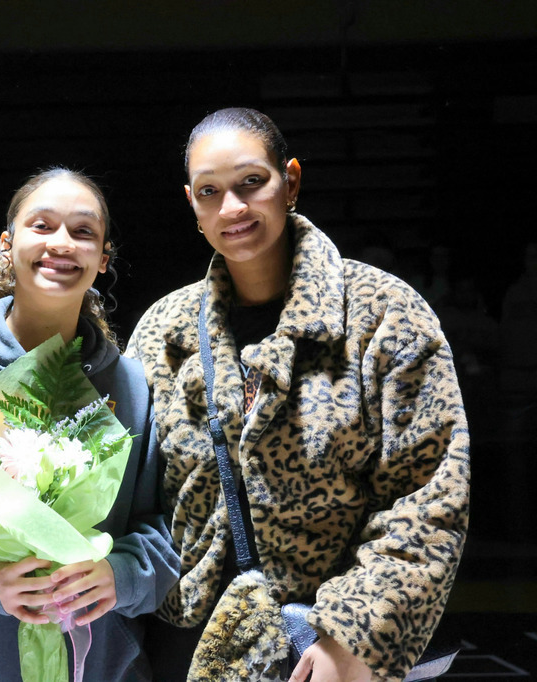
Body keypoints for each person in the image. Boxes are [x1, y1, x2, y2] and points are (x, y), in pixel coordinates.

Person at [126, 108, 469, 682]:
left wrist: (355, 635)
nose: (232, 208)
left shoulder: (384, 314)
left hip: (324, 648)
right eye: (210, 191)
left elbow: (429, 496)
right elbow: (137, 504)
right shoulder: (164, 330)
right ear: (192, 203)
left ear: (290, 182)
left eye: (250, 182)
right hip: (188, 648)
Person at [0, 168, 179, 681]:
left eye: (83, 231)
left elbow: (164, 526)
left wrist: (120, 575)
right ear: (7, 245)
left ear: (103, 259)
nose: (62, 243)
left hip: (103, 666)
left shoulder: (130, 385)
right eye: (42, 225)